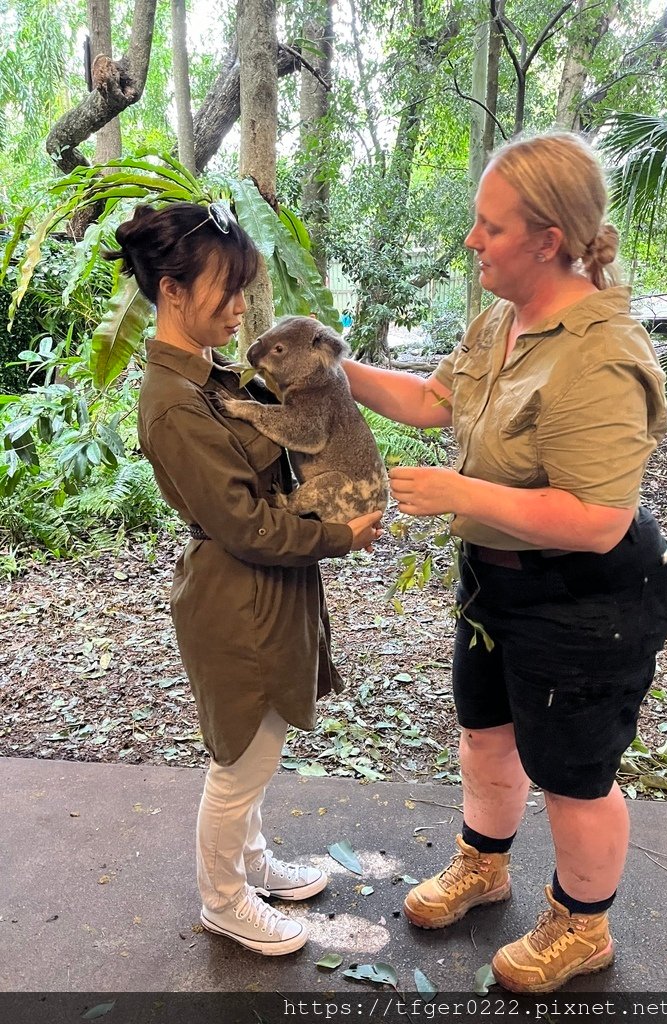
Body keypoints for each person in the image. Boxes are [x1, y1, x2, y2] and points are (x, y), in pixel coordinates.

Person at [343, 132, 667, 993]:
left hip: (583, 596)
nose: (470, 241)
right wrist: (332, 370)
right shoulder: (504, 318)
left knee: (573, 774)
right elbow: (431, 399)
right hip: (497, 583)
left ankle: (582, 924)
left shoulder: (598, 354)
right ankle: (483, 865)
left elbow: (599, 519)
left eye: (488, 227)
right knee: (486, 735)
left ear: (548, 238)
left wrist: (462, 494)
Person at [106, 201, 382, 957]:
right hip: (240, 594)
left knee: (261, 743)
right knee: (241, 758)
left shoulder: (209, 374)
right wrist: (340, 534)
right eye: (226, 290)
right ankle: (224, 899)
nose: (239, 308)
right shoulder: (172, 403)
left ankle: (252, 861)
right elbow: (246, 525)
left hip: (269, 587)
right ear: (171, 290)